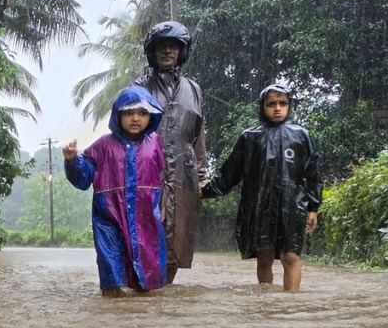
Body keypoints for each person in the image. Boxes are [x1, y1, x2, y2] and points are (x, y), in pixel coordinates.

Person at [200, 83, 321, 292]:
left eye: (283, 103)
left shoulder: (302, 135)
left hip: (292, 206)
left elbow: (312, 174)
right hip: (259, 206)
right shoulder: (250, 137)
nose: (277, 108)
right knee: (264, 255)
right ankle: (265, 302)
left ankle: (290, 303)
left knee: (291, 255)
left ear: (289, 106)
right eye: (271, 104)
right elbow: (231, 171)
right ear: (262, 107)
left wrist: (313, 208)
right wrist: (205, 191)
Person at [63, 85, 167, 297]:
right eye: (128, 113)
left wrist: (164, 204)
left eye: (142, 113)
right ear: (118, 116)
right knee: (112, 271)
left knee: (146, 274)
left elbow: (163, 176)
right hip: (108, 217)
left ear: (151, 116)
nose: (135, 118)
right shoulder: (103, 145)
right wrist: (72, 160)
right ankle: (112, 312)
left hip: (145, 217)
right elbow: (83, 178)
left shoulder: (154, 143)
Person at [133, 21, 207, 284]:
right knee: (148, 233)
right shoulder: (140, 86)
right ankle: (147, 291)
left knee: (178, 241)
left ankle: (164, 291)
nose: (167, 51)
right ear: (152, 52)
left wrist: (200, 175)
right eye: (161, 46)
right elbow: (128, 130)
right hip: (149, 170)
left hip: (184, 174)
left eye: (173, 46)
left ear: (181, 51)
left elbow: (198, 136)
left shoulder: (193, 89)